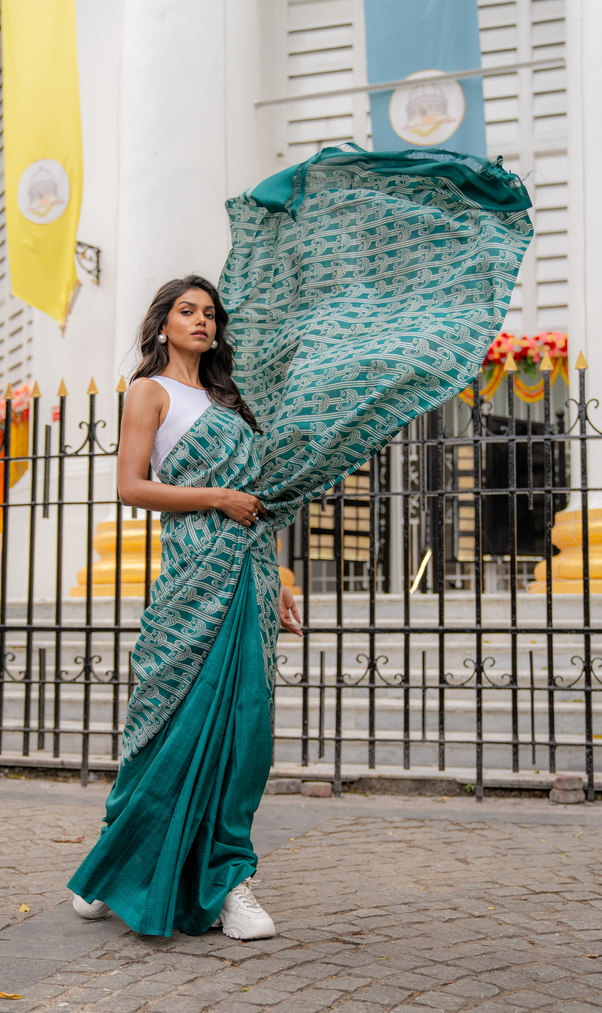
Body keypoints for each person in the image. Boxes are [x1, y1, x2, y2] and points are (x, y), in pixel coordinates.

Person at [69, 143, 533, 940]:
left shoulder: (237, 403)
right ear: (163, 321)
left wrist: (278, 579)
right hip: (188, 579)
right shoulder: (148, 392)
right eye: (188, 309)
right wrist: (216, 497)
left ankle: (226, 878)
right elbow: (132, 488)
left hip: (245, 578)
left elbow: (263, 508)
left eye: (211, 313)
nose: (202, 320)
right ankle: (120, 864)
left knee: (246, 733)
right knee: (166, 723)